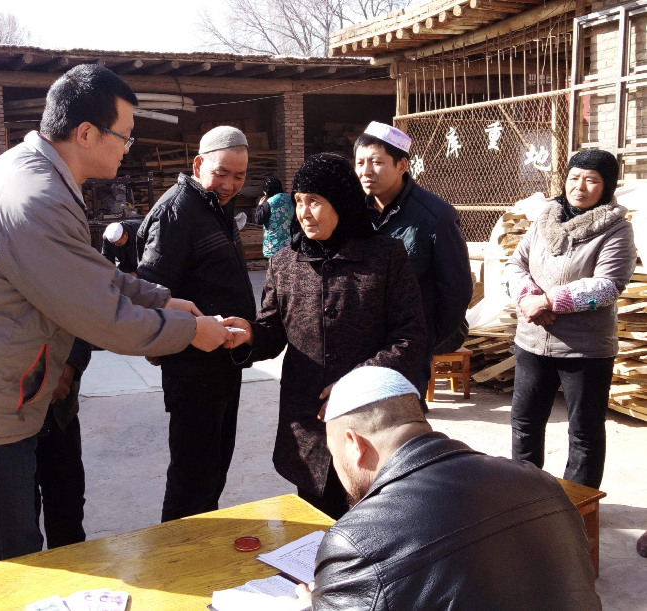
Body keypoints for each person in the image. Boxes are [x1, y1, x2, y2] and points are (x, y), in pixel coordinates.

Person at [0, 65, 232, 575]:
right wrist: (193, 332)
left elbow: (83, 270)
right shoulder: (37, 198)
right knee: (6, 573)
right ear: (86, 133)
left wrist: (161, 300)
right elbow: (103, 317)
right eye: (124, 136)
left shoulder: (32, 172)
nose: (128, 148)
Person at [291, 366, 601, 610]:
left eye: (333, 454)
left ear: (353, 443)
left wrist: (312, 605)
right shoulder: (540, 483)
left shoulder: (358, 541)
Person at [222, 153, 426, 519]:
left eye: (314, 201)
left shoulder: (385, 257)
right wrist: (250, 334)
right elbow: (273, 330)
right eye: (299, 201)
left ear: (341, 202)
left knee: (373, 524)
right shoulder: (285, 261)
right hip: (308, 427)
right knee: (315, 524)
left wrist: (354, 385)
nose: (303, 212)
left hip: (371, 424)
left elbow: (409, 337)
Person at [136, 125, 256, 522]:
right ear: (198, 164)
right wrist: (167, 343)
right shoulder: (177, 211)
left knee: (213, 471)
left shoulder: (214, 206)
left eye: (239, 176)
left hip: (222, 365)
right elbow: (150, 292)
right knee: (192, 480)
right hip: (192, 370)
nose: (229, 185)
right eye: (221, 173)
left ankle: (203, 545)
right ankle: (178, 551)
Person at [506, 149, 636, 489]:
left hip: (585, 348)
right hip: (533, 341)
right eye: (574, 177)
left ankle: (579, 506)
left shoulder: (616, 229)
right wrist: (528, 298)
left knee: (584, 432)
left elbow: (608, 286)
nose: (580, 187)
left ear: (607, 186)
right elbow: (516, 264)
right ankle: (525, 495)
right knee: (524, 423)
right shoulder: (545, 219)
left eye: (591, 180)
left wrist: (549, 301)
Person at [354, 122, 473, 407]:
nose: (366, 171)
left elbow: (456, 290)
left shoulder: (435, 215)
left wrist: (424, 340)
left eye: (376, 162)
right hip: (358, 339)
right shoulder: (352, 211)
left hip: (407, 345)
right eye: (359, 162)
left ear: (402, 165)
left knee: (400, 419)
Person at [35, 338, 93, 549]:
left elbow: (84, 326)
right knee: (16, 520)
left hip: (59, 414)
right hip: (8, 424)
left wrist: (68, 368)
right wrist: (38, 379)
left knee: (67, 509)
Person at [259, 177, 294, 257]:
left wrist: (260, 206)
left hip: (274, 245)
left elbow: (259, 219)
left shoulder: (269, 202)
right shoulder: (289, 199)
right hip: (289, 242)